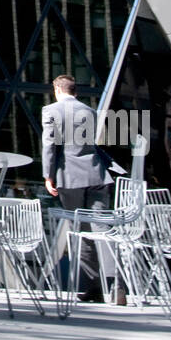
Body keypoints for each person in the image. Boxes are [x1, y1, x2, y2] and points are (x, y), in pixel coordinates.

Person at [42, 74, 114, 301]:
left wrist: (48, 175)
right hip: (97, 175)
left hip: (70, 178)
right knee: (102, 230)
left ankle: (94, 285)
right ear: (75, 91)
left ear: (56, 89)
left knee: (80, 232)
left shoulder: (51, 110)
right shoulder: (90, 112)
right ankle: (113, 286)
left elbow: (49, 146)